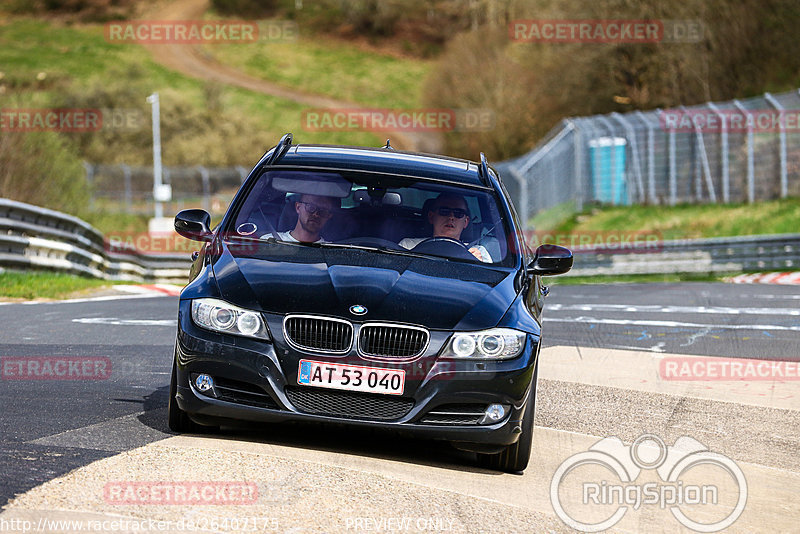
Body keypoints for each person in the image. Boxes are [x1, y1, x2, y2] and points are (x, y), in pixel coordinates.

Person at [399, 193, 492, 262]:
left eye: (458, 213)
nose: (451, 217)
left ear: (466, 222)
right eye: (444, 211)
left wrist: (478, 264)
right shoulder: (408, 246)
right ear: (431, 217)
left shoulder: (478, 252)